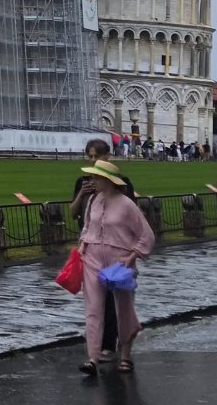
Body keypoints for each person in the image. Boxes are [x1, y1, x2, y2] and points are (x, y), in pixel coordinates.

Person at [75, 160, 153, 376]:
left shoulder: (127, 205)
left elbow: (146, 236)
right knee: (93, 310)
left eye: (95, 178)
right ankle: (92, 358)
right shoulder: (93, 200)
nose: (91, 181)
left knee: (124, 310)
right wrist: (82, 245)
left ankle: (125, 355)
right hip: (92, 260)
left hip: (120, 262)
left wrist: (133, 256)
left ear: (107, 180)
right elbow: (87, 227)